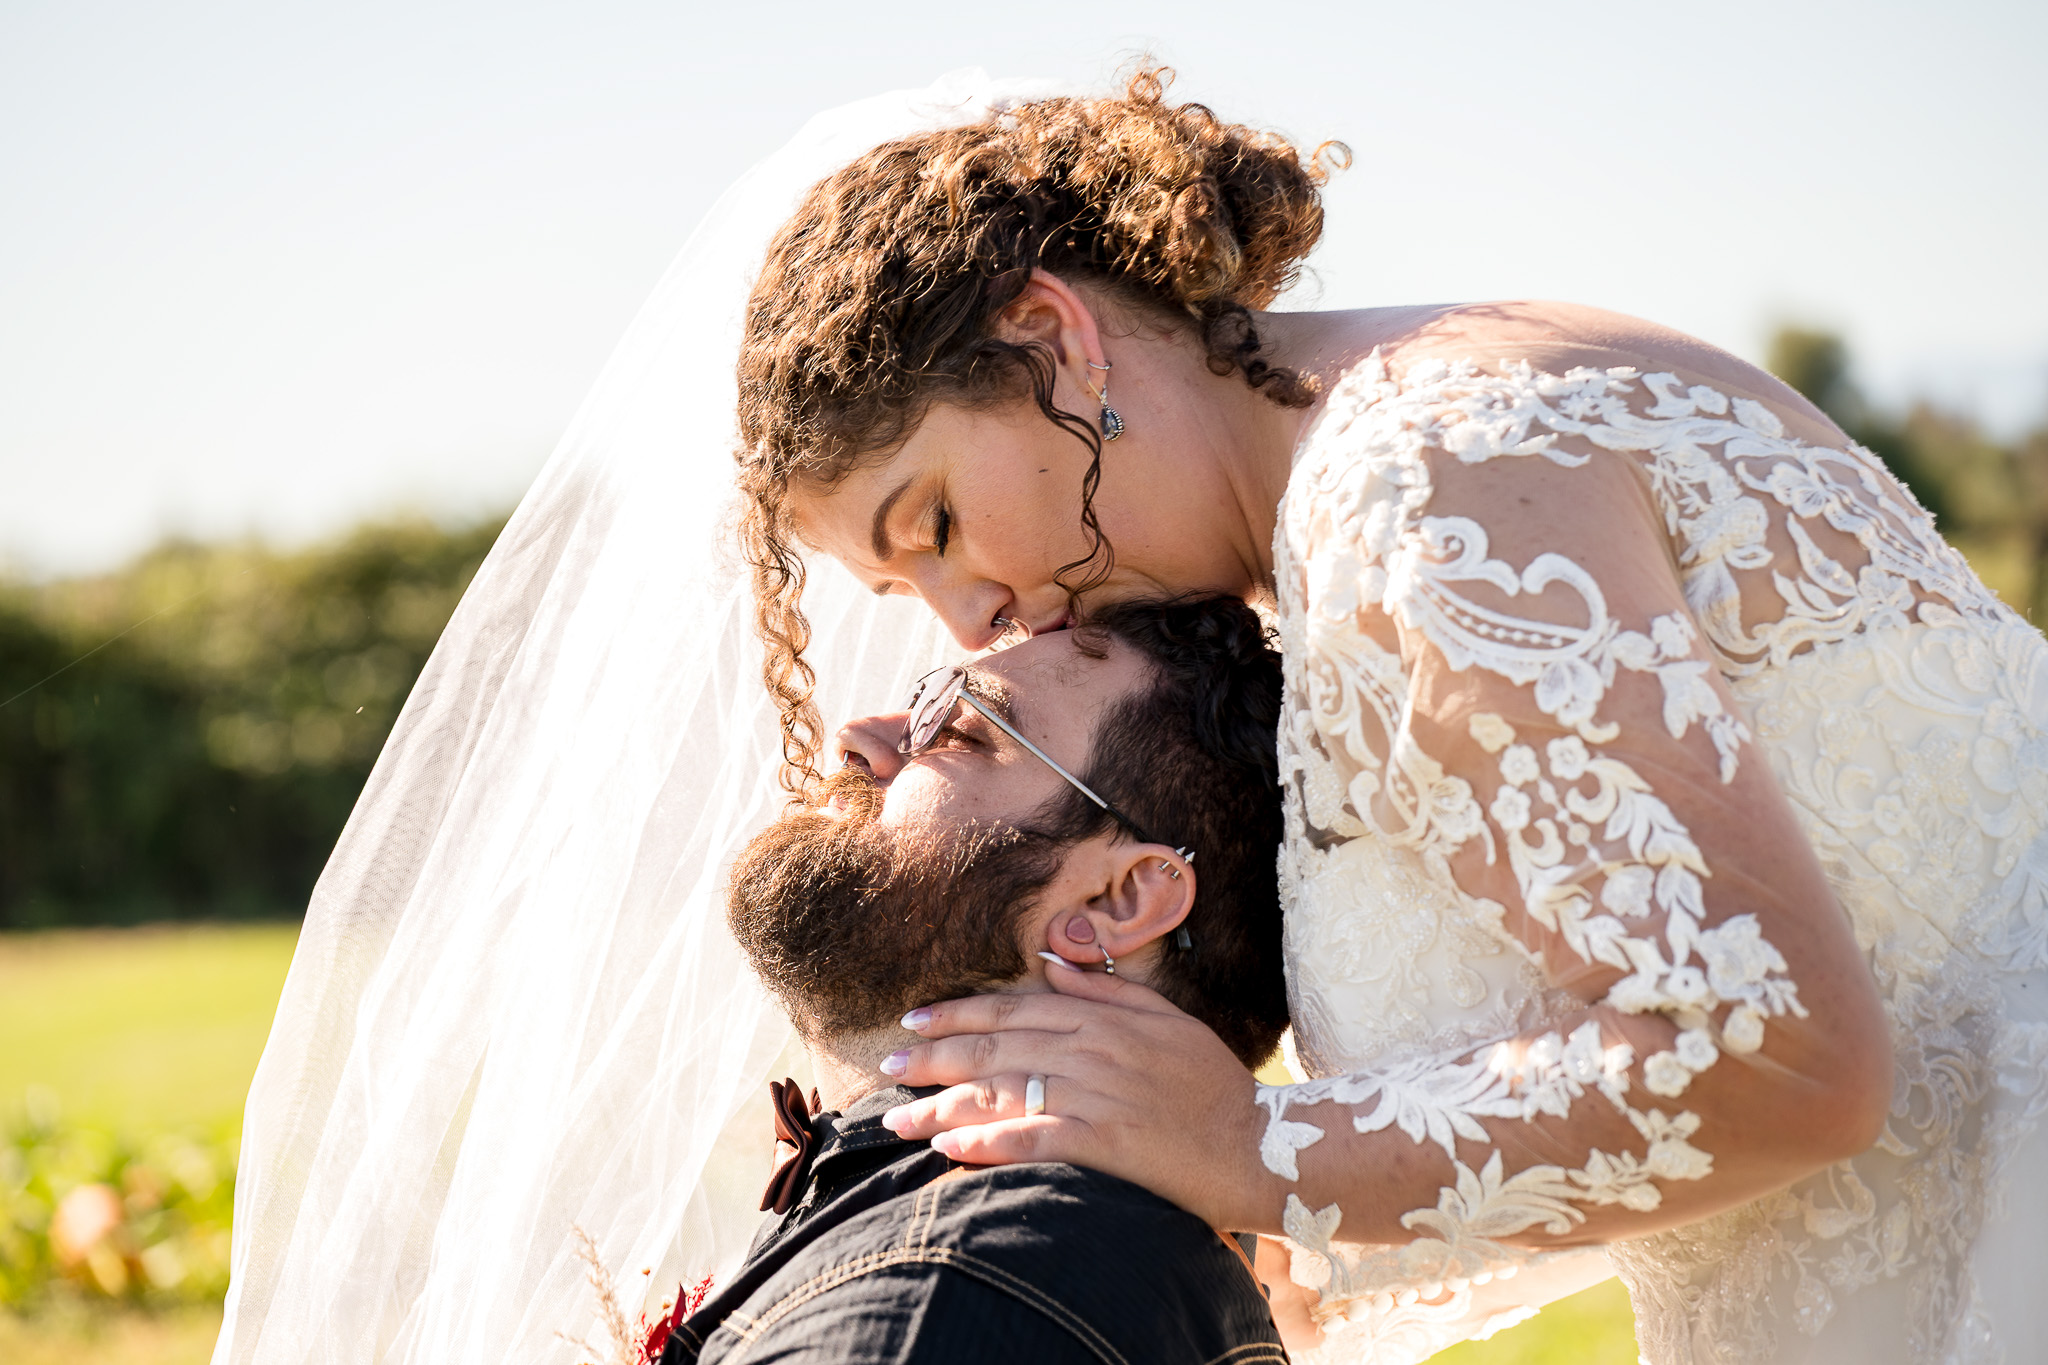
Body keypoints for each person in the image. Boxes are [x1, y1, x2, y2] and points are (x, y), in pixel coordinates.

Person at [730, 68, 2048, 1365]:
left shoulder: (1418, 500)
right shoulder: (1400, 437)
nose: (971, 621)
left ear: (1050, 337)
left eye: (936, 524)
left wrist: (1253, 1146)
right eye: (905, 587)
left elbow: (1775, 1062)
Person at [661, 594, 1289, 1363]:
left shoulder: (949, 1293)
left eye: (958, 726)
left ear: (1117, 901)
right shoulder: (1034, 1257)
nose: (861, 735)